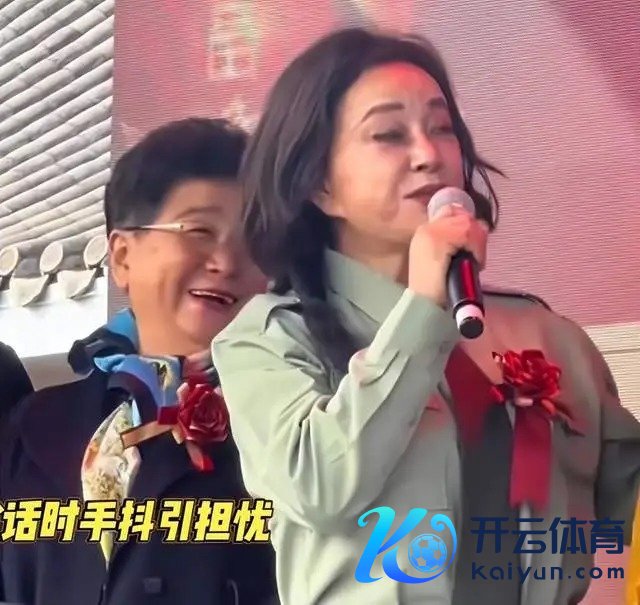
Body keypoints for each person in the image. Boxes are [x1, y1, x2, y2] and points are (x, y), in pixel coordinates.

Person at [211, 27, 640, 605]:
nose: (429, 156)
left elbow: (624, 506)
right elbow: (319, 486)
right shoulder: (269, 339)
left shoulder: (547, 335)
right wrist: (422, 311)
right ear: (318, 184)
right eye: (389, 135)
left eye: (442, 129)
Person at [0, 118, 277, 605]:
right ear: (123, 256)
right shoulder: (32, 426)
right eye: (199, 231)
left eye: (254, 241)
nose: (227, 262)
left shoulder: (289, 429)